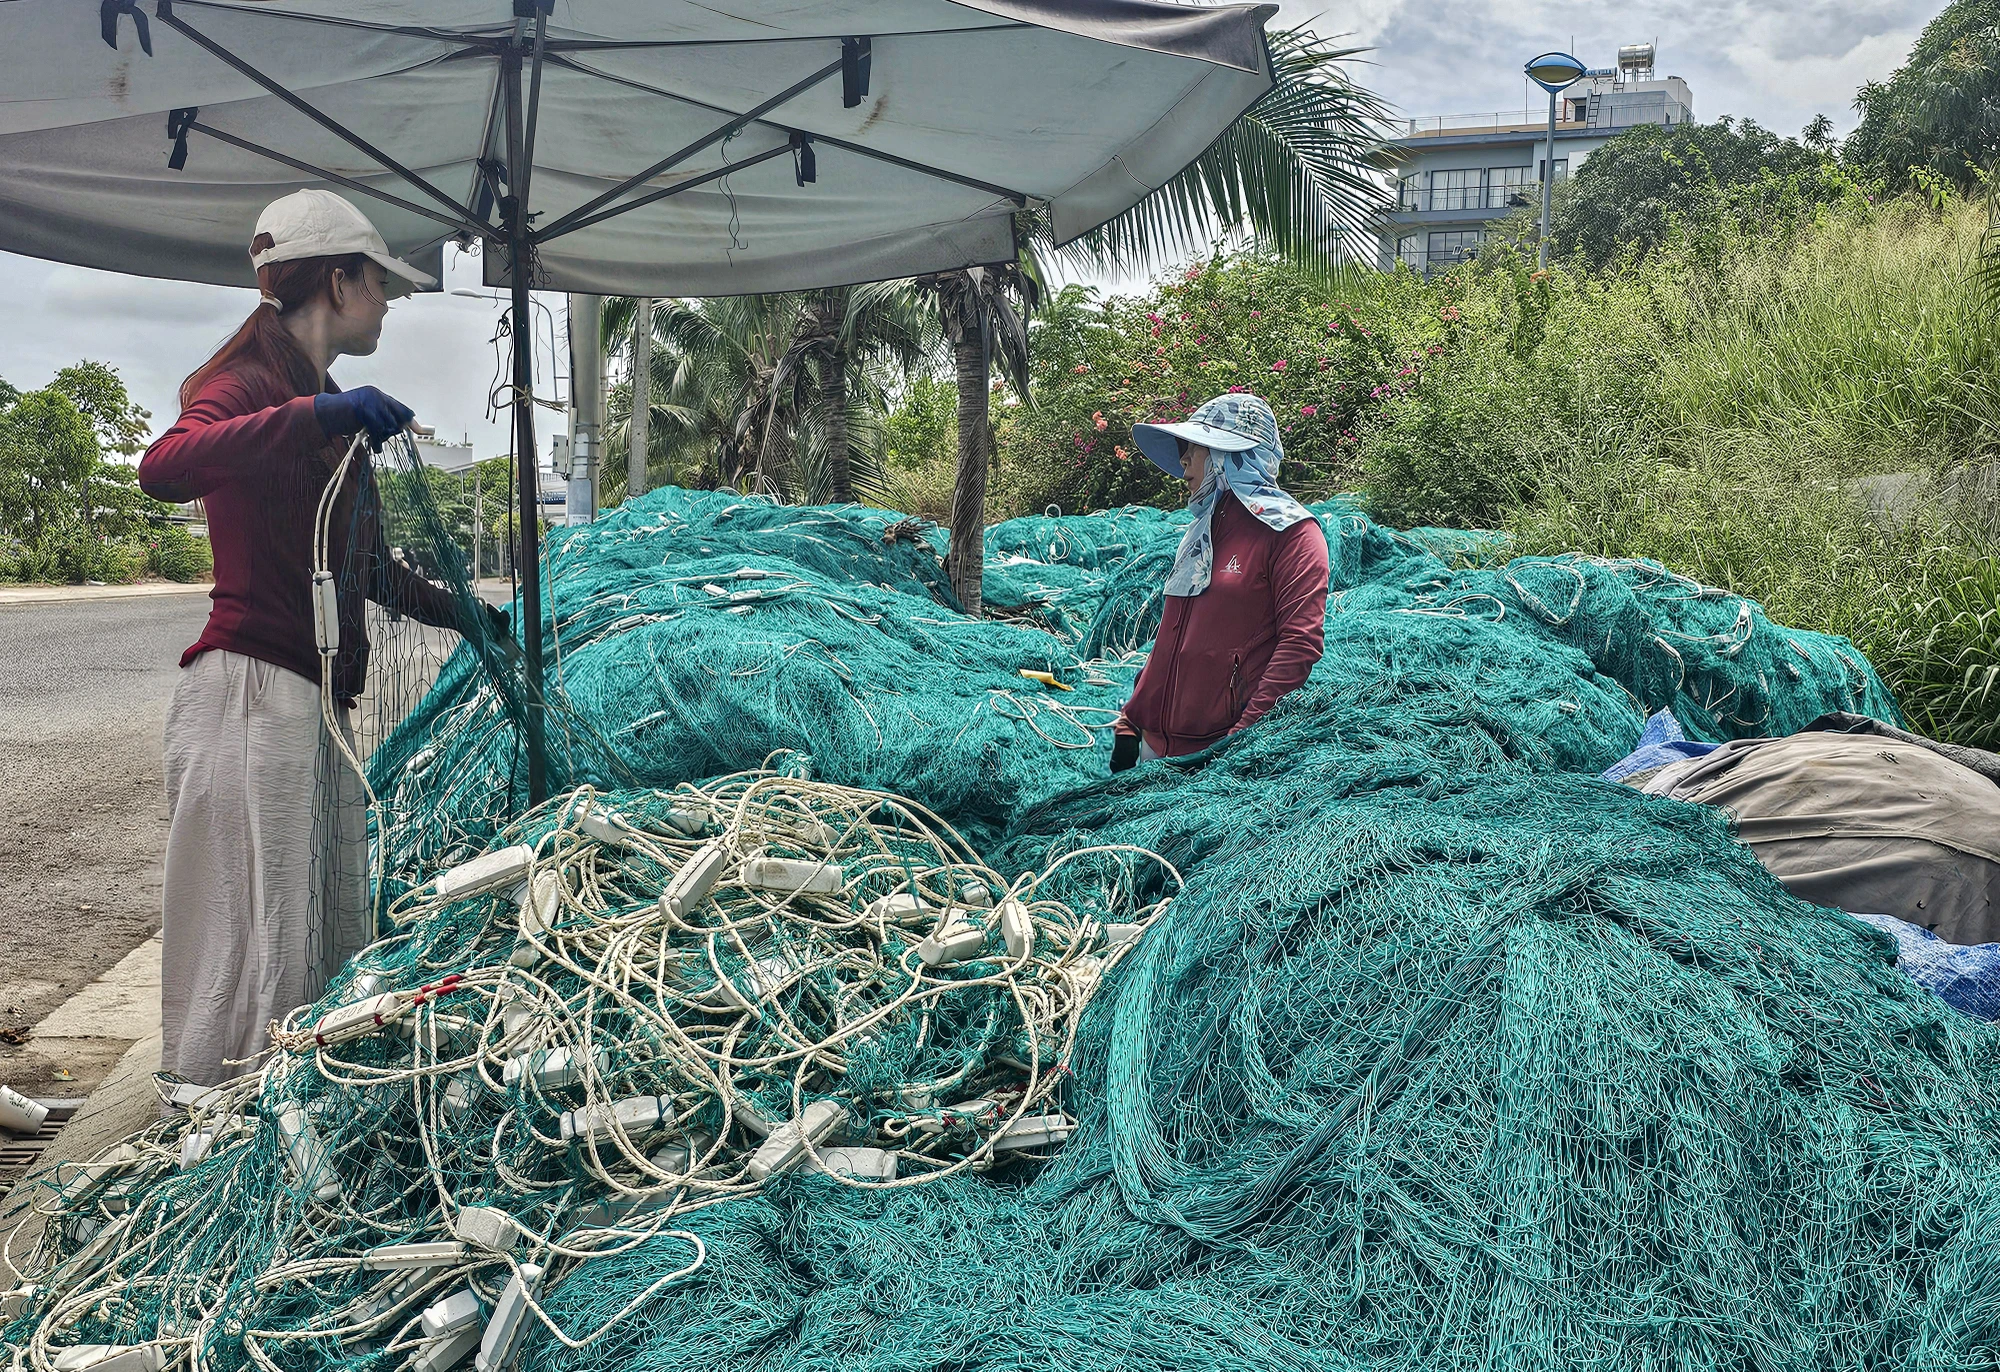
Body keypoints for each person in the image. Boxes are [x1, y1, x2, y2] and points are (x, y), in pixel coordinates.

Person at [138, 189, 495, 1086]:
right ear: (338, 281)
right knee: (253, 941)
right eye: (379, 282)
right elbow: (164, 467)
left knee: (319, 931)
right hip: (250, 692)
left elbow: (366, 566)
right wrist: (319, 420)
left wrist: (474, 616)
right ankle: (221, 1129)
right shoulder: (251, 385)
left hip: (312, 697)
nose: (387, 301)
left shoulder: (322, 396)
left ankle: (288, 1112)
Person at [1111, 393, 1330, 768]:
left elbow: (1299, 647)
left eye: (1192, 448)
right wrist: (1132, 719)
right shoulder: (1199, 532)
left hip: (1215, 755)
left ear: (1224, 456)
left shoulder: (1293, 534)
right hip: (1154, 750)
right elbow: (1172, 635)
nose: (1181, 461)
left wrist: (1237, 743)